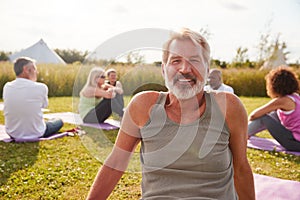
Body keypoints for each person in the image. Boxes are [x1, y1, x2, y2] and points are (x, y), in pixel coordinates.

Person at [87, 28, 255, 199]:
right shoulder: (143, 106)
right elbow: (116, 162)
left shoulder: (229, 106)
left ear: (207, 69)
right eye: (175, 61)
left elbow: (241, 169)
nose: (184, 68)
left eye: (194, 60)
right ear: (163, 69)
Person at [3, 57, 63, 140]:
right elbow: (44, 105)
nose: (37, 72)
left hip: (12, 133)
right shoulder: (41, 87)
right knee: (58, 121)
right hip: (36, 132)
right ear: (27, 70)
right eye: (35, 69)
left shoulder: (7, 86)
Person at [248, 66, 300, 151]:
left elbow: (253, 115)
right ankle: (247, 133)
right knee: (273, 114)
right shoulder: (295, 97)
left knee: (264, 117)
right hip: (296, 141)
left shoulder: (282, 101)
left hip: (294, 143)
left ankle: (240, 135)